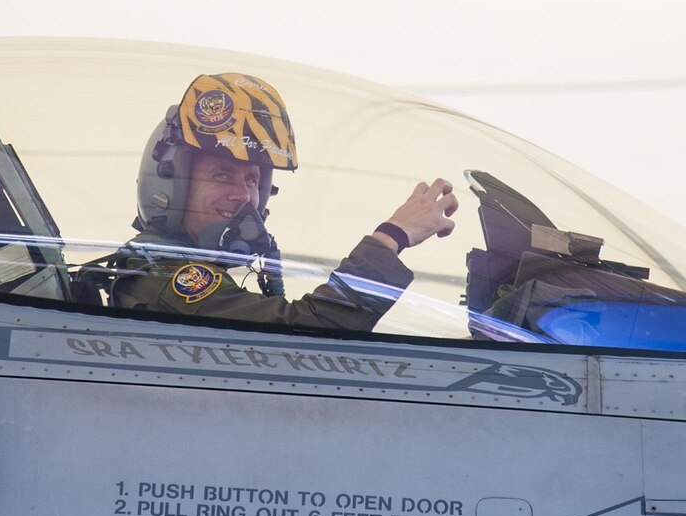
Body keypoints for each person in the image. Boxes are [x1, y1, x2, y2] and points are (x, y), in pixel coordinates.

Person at [106, 72, 456, 330]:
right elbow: (311, 335)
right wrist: (391, 237)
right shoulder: (173, 282)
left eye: (252, 180)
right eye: (222, 175)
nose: (243, 195)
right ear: (170, 184)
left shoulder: (162, 270)